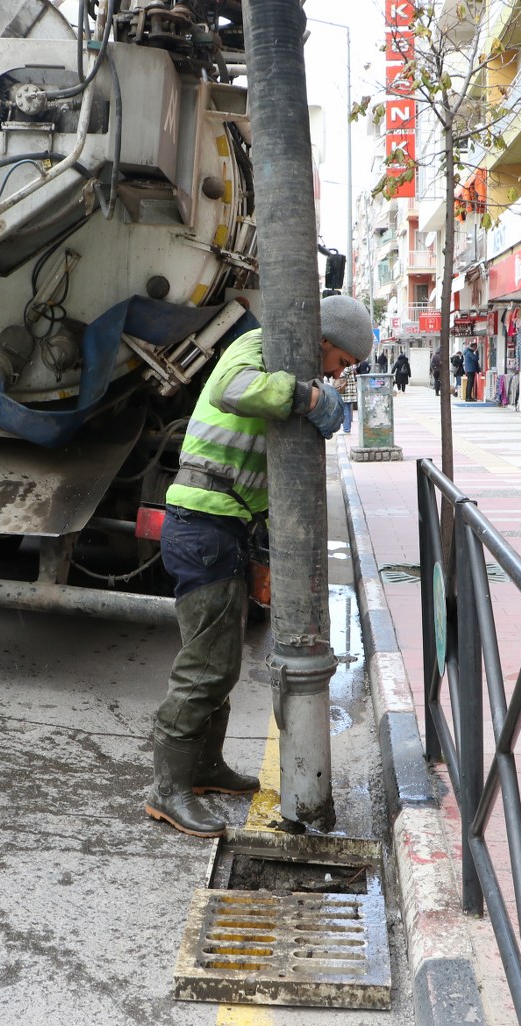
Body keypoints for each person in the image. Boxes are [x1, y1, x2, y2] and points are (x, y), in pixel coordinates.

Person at [146, 294, 370, 838]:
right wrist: (304, 396)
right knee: (206, 664)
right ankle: (166, 789)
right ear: (325, 338)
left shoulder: (287, 361)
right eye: (339, 362)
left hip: (222, 526)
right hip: (201, 523)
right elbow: (232, 389)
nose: (336, 375)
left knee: (219, 659)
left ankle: (203, 767)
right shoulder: (259, 346)